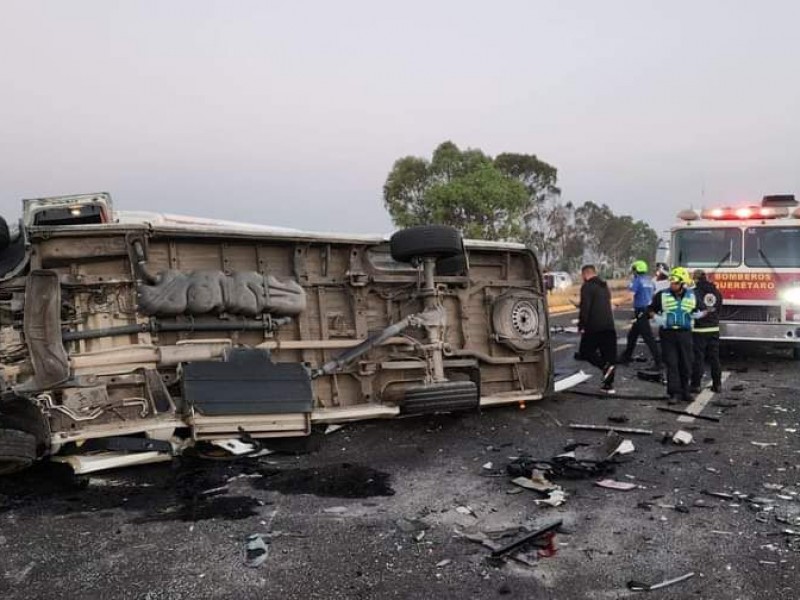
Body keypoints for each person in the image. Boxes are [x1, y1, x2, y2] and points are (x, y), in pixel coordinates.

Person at [648, 267, 696, 402]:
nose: (672, 284)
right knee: (672, 363)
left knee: (686, 364)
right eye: (671, 282)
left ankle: (685, 391)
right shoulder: (662, 295)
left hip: (685, 334)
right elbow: (650, 309)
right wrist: (657, 318)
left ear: (682, 283)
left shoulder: (692, 296)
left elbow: (701, 310)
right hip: (668, 334)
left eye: (675, 282)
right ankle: (674, 393)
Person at [577, 264, 617, 393]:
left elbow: (585, 308)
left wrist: (581, 325)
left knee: (585, 351)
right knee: (609, 356)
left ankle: (603, 367)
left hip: (594, 327)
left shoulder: (587, 287)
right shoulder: (604, 286)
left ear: (585, 274)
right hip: (609, 326)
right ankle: (608, 386)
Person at [618, 260, 662, 369]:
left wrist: (617, 303)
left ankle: (659, 362)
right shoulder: (650, 281)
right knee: (632, 335)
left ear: (636, 270)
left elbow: (630, 296)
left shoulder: (637, 281)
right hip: (647, 309)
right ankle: (626, 356)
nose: (633, 272)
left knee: (648, 338)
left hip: (641, 311)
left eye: (634, 270)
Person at [690, 269, 723, 393]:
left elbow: (691, 310)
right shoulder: (717, 292)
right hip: (714, 328)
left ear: (696, 279)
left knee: (698, 358)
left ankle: (696, 385)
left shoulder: (694, 293)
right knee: (714, 358)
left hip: (699, 329)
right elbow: (719, 310)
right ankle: (717, 384)